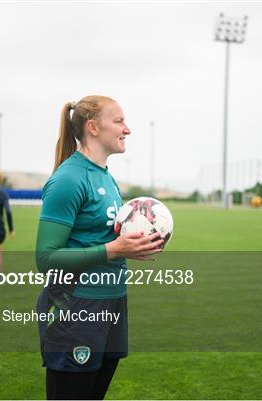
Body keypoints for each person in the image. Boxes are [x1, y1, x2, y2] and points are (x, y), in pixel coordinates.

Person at [35, 96, 164, 400]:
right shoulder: (68, 179)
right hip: (77, 307)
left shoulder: (106, 177)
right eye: (119, 121)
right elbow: (46, 258)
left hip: (113, 302)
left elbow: (109, 240)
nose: (127, 129)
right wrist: (114, 250)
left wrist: (136, 245)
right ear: (93, 127)